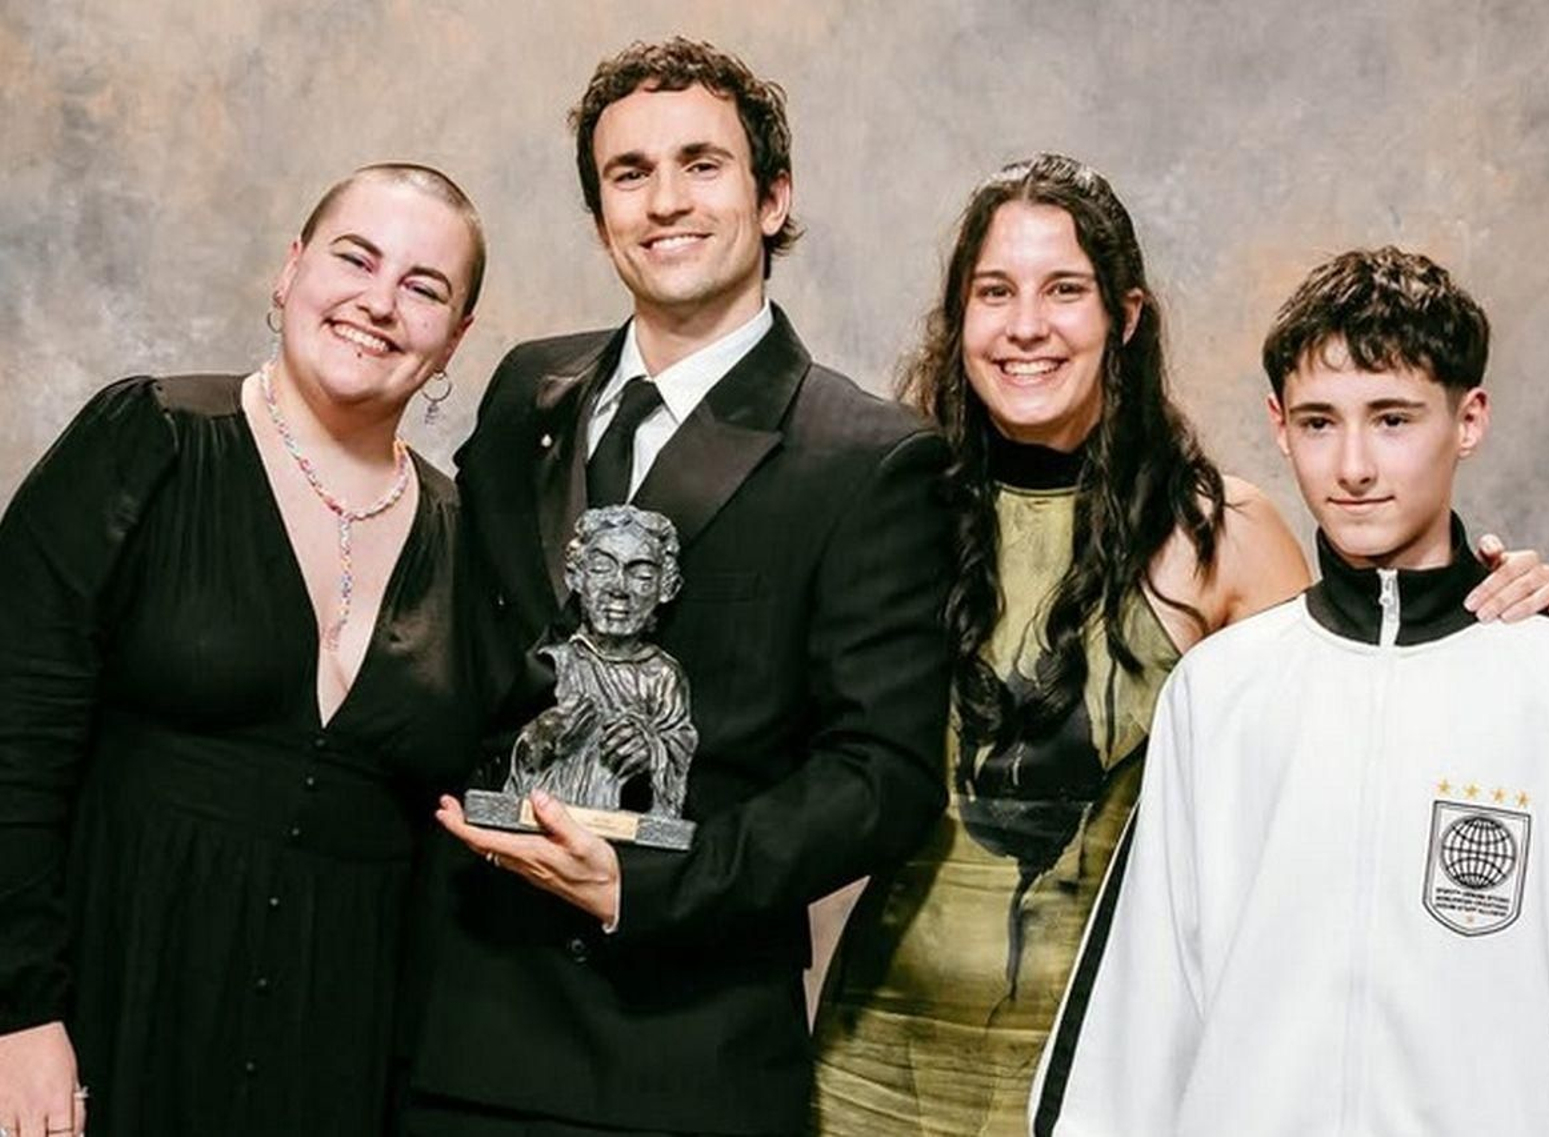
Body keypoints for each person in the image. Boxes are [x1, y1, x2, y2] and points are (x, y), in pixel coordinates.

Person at [809, 155, 1549, 1134]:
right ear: (958, 316)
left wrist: (1498, 609)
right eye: (993, 292)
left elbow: (1349, 761)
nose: (1026, 325)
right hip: (876, 1058)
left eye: (1064, 291)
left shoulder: (1221, 534)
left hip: (1118, 1072)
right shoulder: (887, 514)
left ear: (1124, 317)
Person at [399, 38, 953, 1136]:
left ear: (774, 196)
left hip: (680, 1052)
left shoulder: (867, 457)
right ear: (601, 212)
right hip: (460, 1025)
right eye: (628, 173)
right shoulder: (527, 391)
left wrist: (642, 889)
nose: (665, 202)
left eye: (701, 165)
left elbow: (878, 776)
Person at [1031, 245, 1549, 1136]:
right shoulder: (1220, 693)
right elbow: (1135, 1031)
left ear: (1470, 418)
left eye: (1393, 418)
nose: (1355, 465)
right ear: (1278, 424)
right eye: (1319, 422)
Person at [0, 162, 486, 1137]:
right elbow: (13, 734)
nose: (378, 303)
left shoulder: (470, 542)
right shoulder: (150, 441)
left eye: (424, 287)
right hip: (107, 1009)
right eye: (356, 259)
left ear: (453, 342)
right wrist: (18, 1016)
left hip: (336, 1059)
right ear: (290, 270)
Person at [506, 504, 696, 817]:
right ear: (576, 577)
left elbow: (678, 747)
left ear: (666, 587)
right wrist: (541, 736)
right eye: (601, 568)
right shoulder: (550, 665)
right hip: (542, 817)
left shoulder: (662, 676)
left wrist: (650, 749)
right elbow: (506, 756)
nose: (619, 588)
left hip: (623, 834)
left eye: (642, 575)